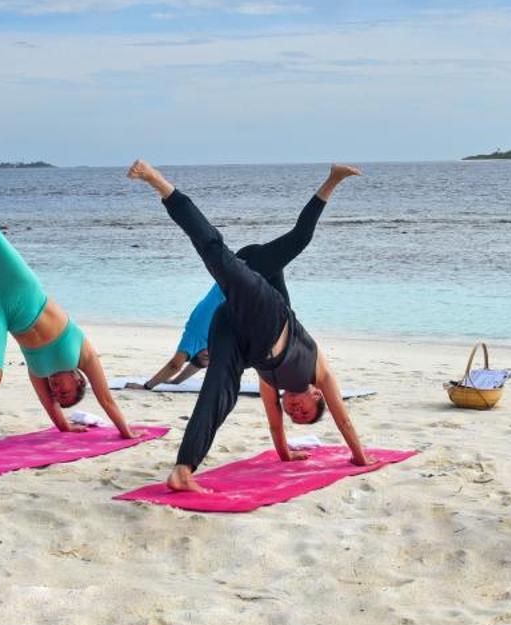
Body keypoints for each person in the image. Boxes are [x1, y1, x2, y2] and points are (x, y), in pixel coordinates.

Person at [126, 159, 370, 491]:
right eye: (306, 412)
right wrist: (359, 455)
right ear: (316, 395)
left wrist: (285, 454)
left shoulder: (272, 385)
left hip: (234, 328)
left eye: (295, 416)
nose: (296, 412)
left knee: (219, 393)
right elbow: (343, 418)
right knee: (216, 253)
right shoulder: (319, 372)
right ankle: (157, 181)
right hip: (267, 311)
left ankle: (183, 470)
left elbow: (275, 426)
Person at [0, 134, 136, 460]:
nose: (56, 392)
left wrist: (64, 425)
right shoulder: (83, 354)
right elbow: (107, 400)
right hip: (22, 290)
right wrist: (127, 432)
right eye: (65, 392)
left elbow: (50, 409)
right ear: (78, 380)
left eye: (57, 395)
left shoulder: (40, 373)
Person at [139, 164, 362, 388]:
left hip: (248, 268)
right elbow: (192, 365)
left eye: (203, 356)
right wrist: (176, 384)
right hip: (253, 274)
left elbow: (175, 364)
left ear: (193, 351)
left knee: (300, 238)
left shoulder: (193, 335)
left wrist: (149, 385)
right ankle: (309, 373)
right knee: (285, 316)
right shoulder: (209, 338)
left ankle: (334, 177)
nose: (208, 357)